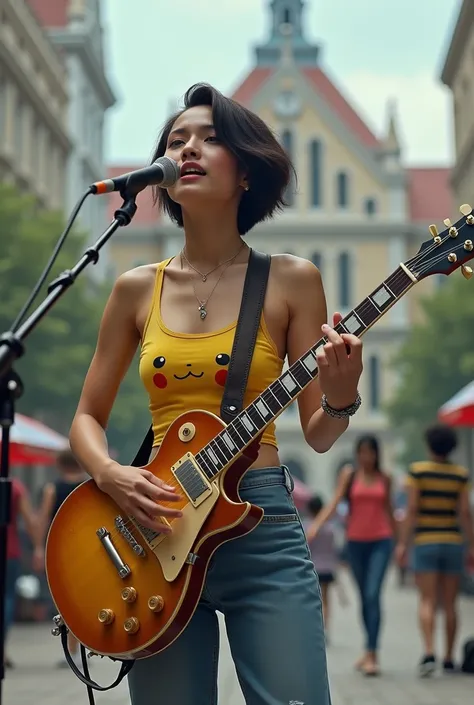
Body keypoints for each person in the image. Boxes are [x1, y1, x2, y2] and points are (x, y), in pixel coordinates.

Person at [68, 82, 364, 705]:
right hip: (156, 525)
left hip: (260, 521)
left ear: (248, 172)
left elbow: (319, 431)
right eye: (177, 141)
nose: (189, 148)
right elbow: (86, 419)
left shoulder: (293, 281)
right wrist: (112, 475)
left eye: (210, 138)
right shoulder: (133, 290)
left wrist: (339, 393)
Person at [307, 435, 396, 676]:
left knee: (372, 594)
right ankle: (368, 650)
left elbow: (388, 510)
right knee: (364, 597)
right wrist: (315, 525)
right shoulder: (349, 475)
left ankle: (372, 652)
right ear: (357, 454)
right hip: (355, 543)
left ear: (377, 454)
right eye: (362, 452)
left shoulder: (385, 478)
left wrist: (400, 545)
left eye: (371, 452)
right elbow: (335, 502)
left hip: (381, 541)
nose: (367, 457)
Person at [396, 425, 474, 677]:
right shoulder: (460, 475)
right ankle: (449, 658)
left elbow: (412, 510)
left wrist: (402, 544)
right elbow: (464, 513)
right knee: (450, 604)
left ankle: (429, 653)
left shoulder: (418, 472)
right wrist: (471, 544)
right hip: (452, 541)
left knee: (427, 600)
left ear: (429, 445)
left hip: (426, 541)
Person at [35, 449, 87, 667]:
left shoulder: (52, 489)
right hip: (86, 548)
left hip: (60, 550)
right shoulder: (88, 486)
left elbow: (43, 521)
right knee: (83, 599)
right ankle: (80, 648)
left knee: (65, 600)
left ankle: (72, 649)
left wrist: (39, 547)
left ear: (59, 465)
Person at [4, 477, 41, 669]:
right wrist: (37, 547)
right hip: (9, 551)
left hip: (11, 552)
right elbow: (30, 520)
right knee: (7, 598)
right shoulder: (15, 487)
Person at [305, 494, 344, 642]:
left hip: (312, 568)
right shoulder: (330, 528)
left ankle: (314, 629)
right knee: (326, 600)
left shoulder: (307, 527)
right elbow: (335, 549)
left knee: (312, 601)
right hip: (327, 568)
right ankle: (325, 629)